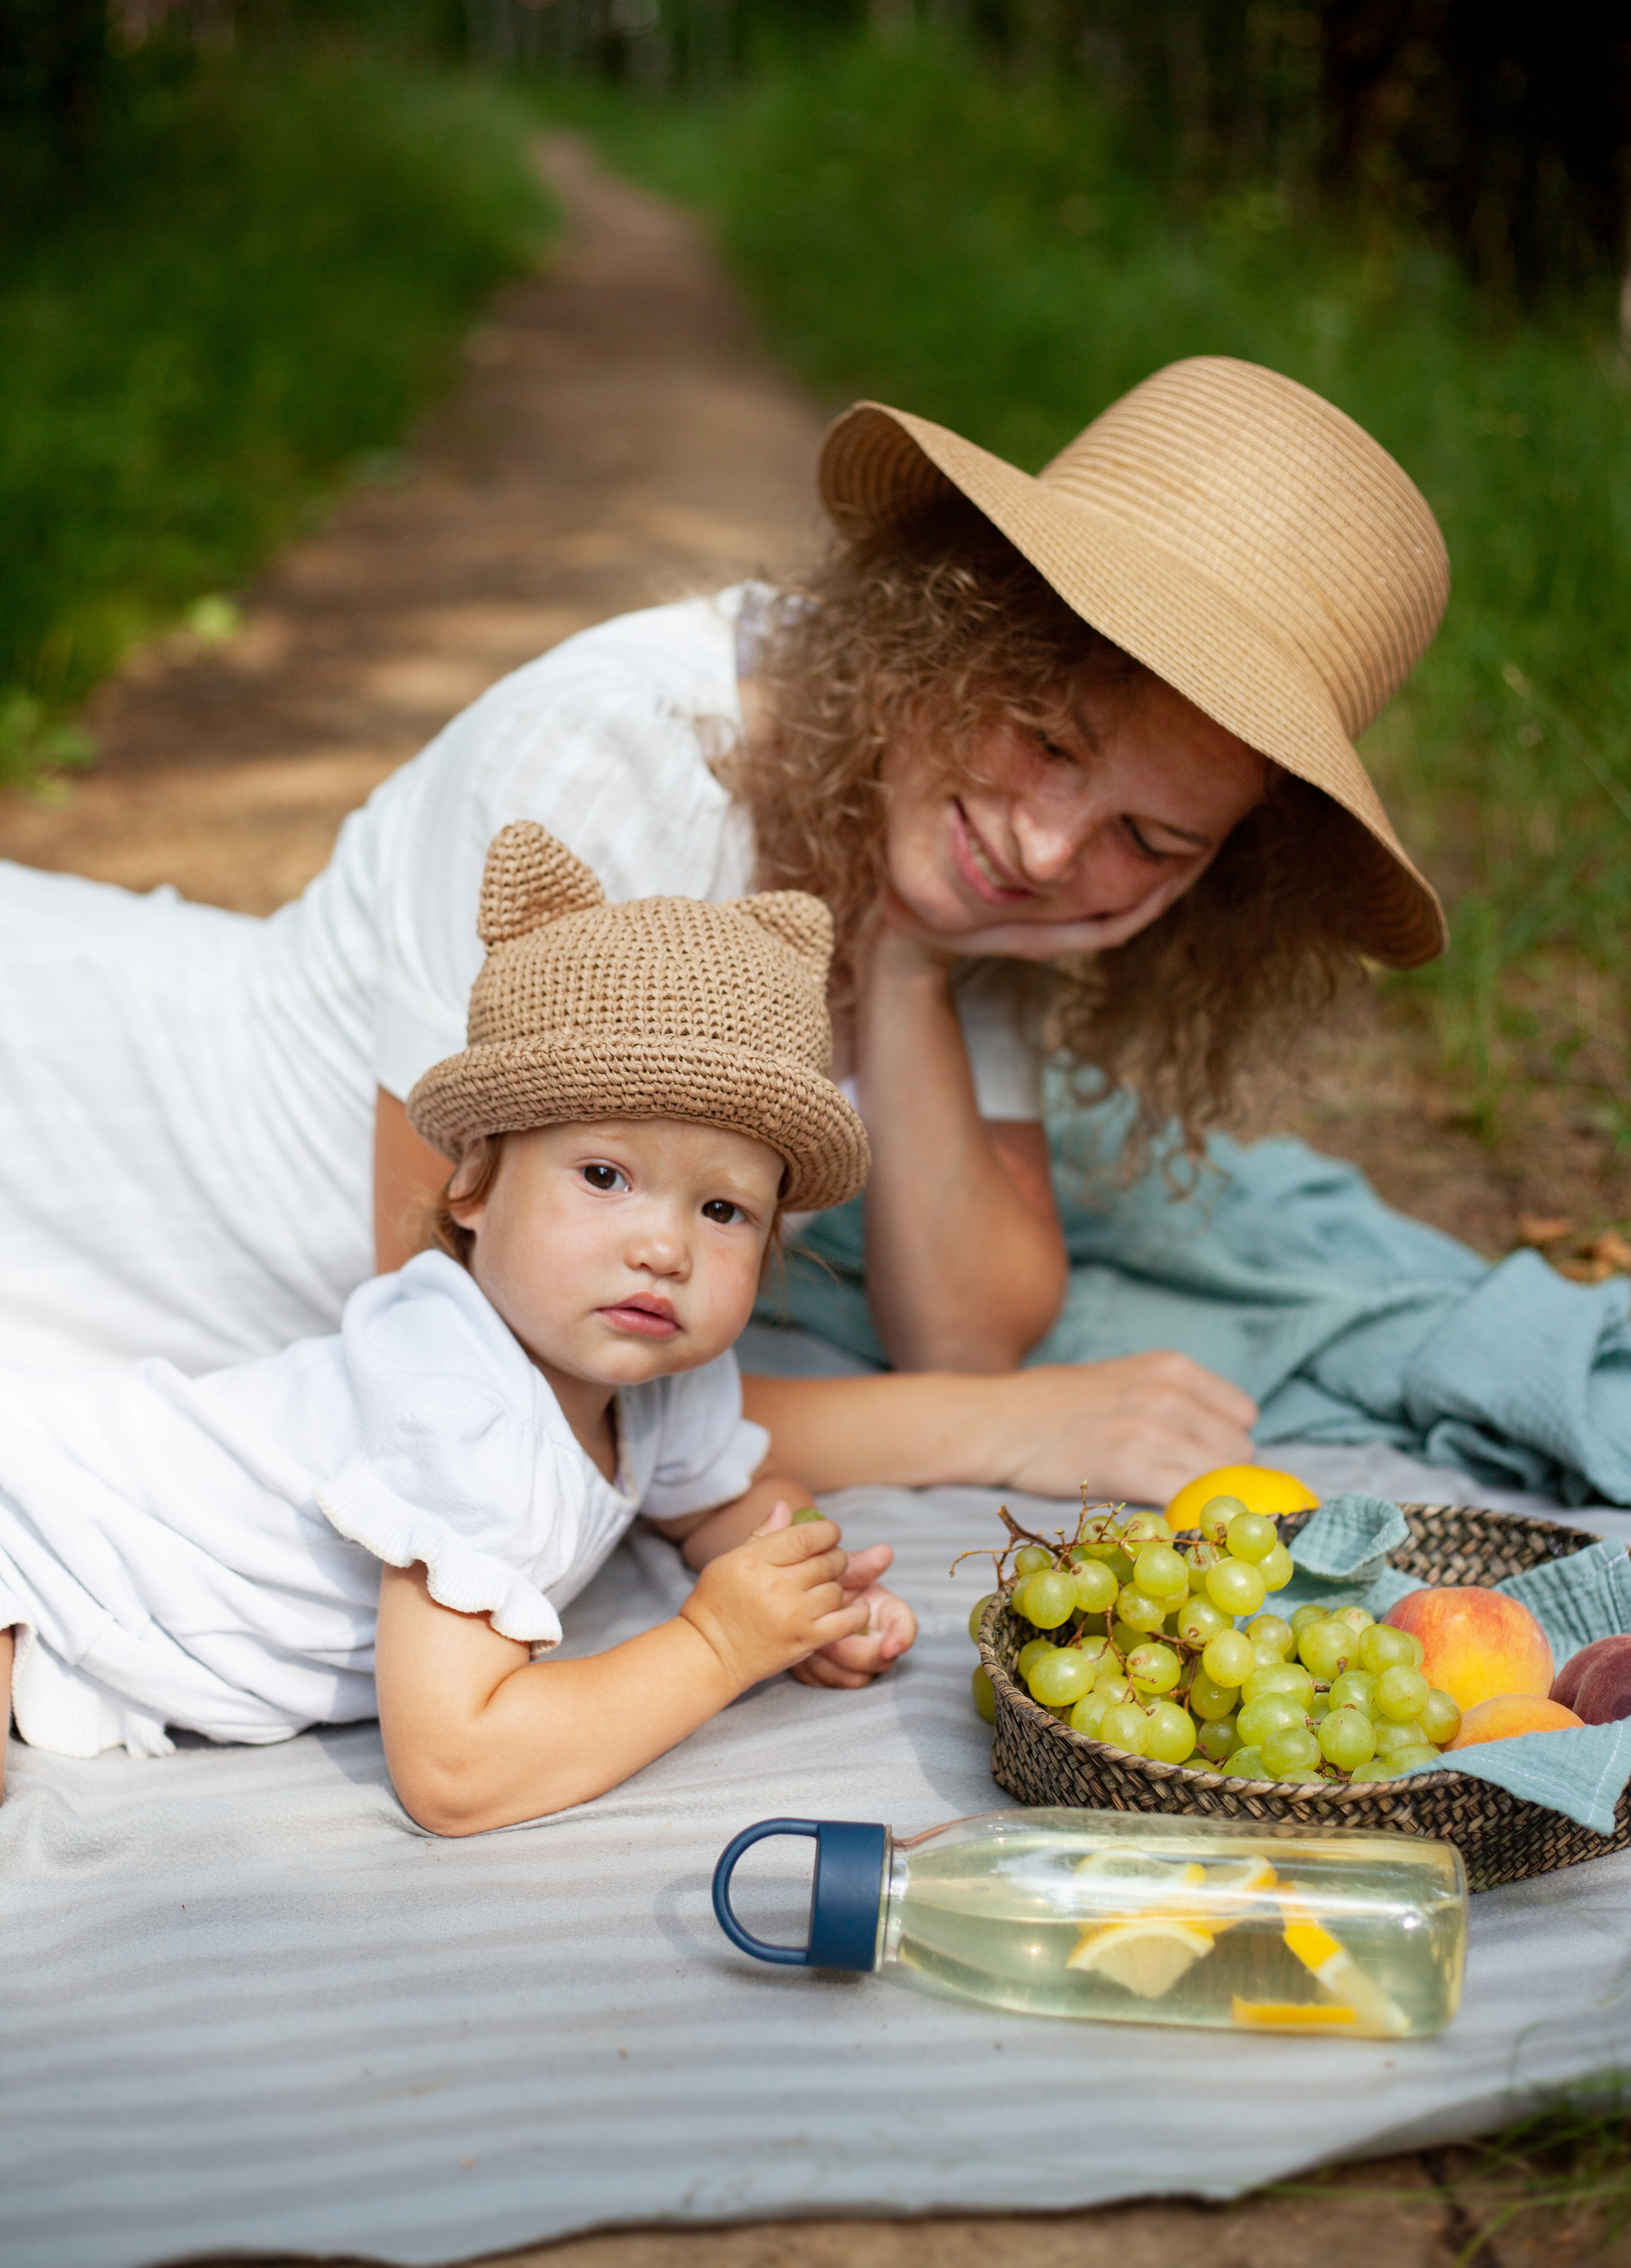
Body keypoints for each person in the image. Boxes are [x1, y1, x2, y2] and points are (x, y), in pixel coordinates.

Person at [0, 357, 1449, 1510]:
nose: (1048, 846)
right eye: (1044, 739)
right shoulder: (618, 757)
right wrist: (987, 1433)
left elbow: (967, 1321)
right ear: (952, 632)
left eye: (1153, 839)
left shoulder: (960, 856)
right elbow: (470, 1359)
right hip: (67, 1144)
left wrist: (908, 958)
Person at [0, 826, 918, 1832]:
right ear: (474, 1183)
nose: (666, 1250)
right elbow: (457, 1770)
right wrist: (715, 1644)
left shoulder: (662, 1364)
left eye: (723, 1211)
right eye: (605, 1177)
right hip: (43, 1523)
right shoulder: (462, 1412)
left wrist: (802, 1595)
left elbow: (724, 1501)